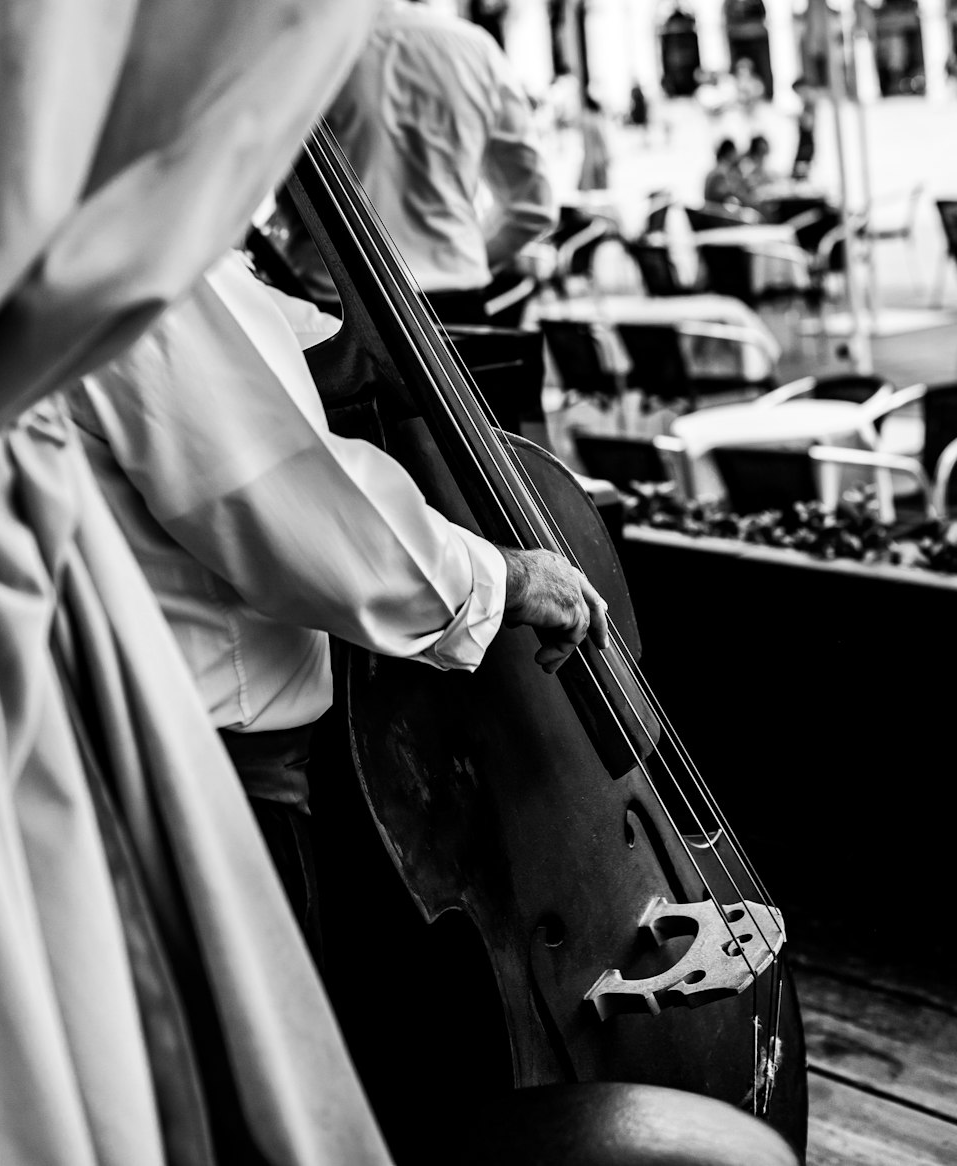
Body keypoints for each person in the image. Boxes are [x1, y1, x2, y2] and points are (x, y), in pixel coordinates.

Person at [68, 248, 609, 956]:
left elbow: (257, 342)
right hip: (207, 789)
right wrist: (507, 578)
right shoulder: (154, 259)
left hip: (113, 753)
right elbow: (306, 525)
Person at [284, 0, 556, 325]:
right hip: (458, 312)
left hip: (334, 314)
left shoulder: (304, 45)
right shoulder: (476, 48)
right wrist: (454, 257)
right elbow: (533, 208)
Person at [703, 137, 751, 207]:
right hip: (717, 213)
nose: (736, 156)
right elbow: (725, 194)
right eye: (735, 152)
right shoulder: (720, 173)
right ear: (729, 153)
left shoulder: (715, 171)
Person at [791, 78, 816, 181]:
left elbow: (808, 123)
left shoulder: (811, 101)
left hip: (808, 140)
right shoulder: (808, 103)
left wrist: (798, 117)